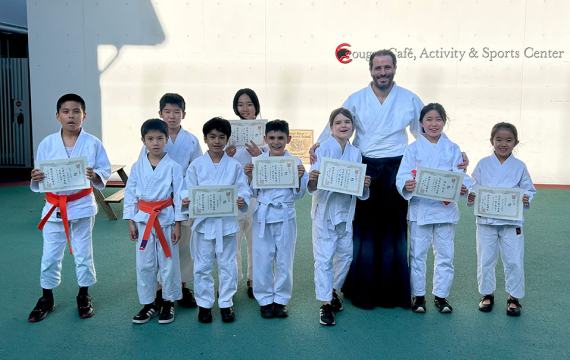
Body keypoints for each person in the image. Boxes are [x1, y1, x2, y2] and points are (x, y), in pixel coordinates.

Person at [311, 50, 467, 309]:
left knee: (394, 230)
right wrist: (318, 145)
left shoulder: (408, 98)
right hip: (365, 169)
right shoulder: (357, 99)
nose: (382, 72)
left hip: (397, 167)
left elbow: (427, 131)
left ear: (395, 68)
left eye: (387, 67)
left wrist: (454, 152)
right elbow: (338, 124)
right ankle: (361, 288)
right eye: (378, 68)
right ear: (370, 70)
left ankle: (393, 290)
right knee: (364, 230)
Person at [28, 93, 111, 322]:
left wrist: (96, 175)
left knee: (84, 254)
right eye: (66, 111)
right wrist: (36, 176)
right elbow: (39, 175)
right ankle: (47, 298)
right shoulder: (47, 143)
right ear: (58, 116)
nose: (71, 116)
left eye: (76, 111)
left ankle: (84, 294)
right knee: (50, 256)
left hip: (82, 206)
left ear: (84, 115)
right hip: (54, 206)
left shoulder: (93, 143)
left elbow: (104, 171)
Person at [395, 103, 471, 314]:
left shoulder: (453, 148)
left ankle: (441, 296)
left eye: (438, 119)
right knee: (418, 255)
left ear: (444, 122)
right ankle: (418, 296)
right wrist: (406, 184)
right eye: (429, 119)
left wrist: (464, 186)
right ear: (421, 123)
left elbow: (462, 174)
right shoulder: (413, 148)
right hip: (421, 209)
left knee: (445, 255)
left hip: (446, 210)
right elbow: (403, 175)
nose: (434, 124)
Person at [184, 117, 252, 323]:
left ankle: (226, 303)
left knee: (227, 264)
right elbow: (186, 190)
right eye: (212, 136)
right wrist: (186, 199)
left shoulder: (234, 166)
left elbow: (243, 188)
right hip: (204, 225)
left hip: (227, 225)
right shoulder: (196, 165)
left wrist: (243, 199)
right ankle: (204, 305)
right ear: (205, 139)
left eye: (221, 137)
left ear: (227, 140)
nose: (216, 141)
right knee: (202, 265)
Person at [137, 93, 202, 309]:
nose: (172, 116)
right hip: (159, 202)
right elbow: (143, 175)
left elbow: (197, 170)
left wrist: (190, 198)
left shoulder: (191, 140)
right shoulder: (151, 138)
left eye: (176, 112)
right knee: (156, 249)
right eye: (167, 112)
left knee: (183, 245)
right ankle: (159, 288)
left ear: (183, 114)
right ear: (160, 113)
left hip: (183, 200)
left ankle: (182, 287)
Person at [308, 108, 371, 326]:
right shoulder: (322, 149)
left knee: (345, 255)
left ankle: (333, 290)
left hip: (346, 213)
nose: (343, 126)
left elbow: (358, 187)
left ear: (352, 127)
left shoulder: (355, 153)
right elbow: (312, 185)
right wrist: (314, 178)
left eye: (347, 122)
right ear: (331, 127)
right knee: (324, 259)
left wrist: (363, 184)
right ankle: (325, 304)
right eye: (338, 122)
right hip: (325, 213)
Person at [467, 122, 535, 316]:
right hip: (486, 220)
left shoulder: (519, 166)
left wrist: (526, 197)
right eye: (499, 139)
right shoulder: (483, 164)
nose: (503, 144)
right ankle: (487, 294)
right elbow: (474, 185)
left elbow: (529, 189)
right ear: (492, 141)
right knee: (486, 258)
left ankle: (514, 297)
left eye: (508, 140)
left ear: (516, 142)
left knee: (513, 259)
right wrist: (472, 195)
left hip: (511, 221)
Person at [244, 120, 309, 319]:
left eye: (280, 138)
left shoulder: (296, 162)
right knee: (262, 259)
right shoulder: (260, 161)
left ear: (288, 139)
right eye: (271, 138)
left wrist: (299, 178)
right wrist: (249, 177)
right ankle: (264, 299)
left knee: (284, 260)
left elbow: (299, 195)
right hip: (263, 214)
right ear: (265, 139)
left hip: (285, 215)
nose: (276, 142)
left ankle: (281, 300)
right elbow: (253, 192)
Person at [125, 119, 185, 324]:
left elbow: (178, 196)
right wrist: (131, 220)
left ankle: (168, 302)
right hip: (143, 220)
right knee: (144, 264)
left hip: (166, 219)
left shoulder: (174, 167)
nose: (155, 142)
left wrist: (178, 223)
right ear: (143, 141)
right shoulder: (137, 166)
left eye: (160, 138)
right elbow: (131, 193)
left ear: (167, 139)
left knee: (169, 263)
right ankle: (149, 303)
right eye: (150, 138)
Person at [225, 88, 266, 298]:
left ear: (256, 106)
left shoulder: (265, 134)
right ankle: (231, 280)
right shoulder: (229, 134)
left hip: (257, 197)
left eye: (249, 104)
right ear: (235, 108)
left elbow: (273, 166)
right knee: (233, 241)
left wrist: (259, 157)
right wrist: (227, 156)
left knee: (255, 241)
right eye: (241, 105)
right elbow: (221, 166)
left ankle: (253, 280)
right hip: (235, 196)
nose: (245, 109)